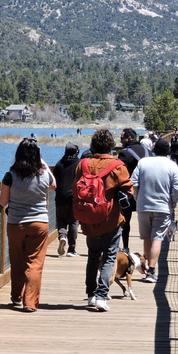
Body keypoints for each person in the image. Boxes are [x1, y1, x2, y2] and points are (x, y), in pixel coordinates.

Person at [73, 129, 133, 312]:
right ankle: (101, 296)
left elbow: (75, 189)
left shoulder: (82, 164)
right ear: (111, 145)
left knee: (92, 256)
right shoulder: (118, 165)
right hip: (111, 219)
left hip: (89, 218)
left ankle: (90, 294)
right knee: (109, 257)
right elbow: (129, 190)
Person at [0, 137, 56, 312]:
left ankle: (16, 297)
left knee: (17, 261)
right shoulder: (44, 174)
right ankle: (30, 302)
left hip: (16, 224)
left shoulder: (10, 175)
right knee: (34, 263)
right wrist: (43, 163)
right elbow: (54, 185)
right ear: (37, 156)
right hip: (39, 223)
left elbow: (3, 202)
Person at [131, 137, 178, 283]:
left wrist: (138, 198)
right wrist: (172, 203)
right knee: (157, 237)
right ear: (168, 151)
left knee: (147, 237)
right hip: (163, 207)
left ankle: (147, 268)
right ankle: (152, 270)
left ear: (154, 150)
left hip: (143, 207)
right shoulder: (172, 165)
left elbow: (133, 182)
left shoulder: (143, 162)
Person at [118, 128, 149, 254]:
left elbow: (120, 173)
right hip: (146, 192)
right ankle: (148, 251)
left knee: (126, 221)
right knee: (148, 224)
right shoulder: (147, 150)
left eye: (122, 138)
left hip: (129, 191)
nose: (121, 141)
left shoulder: (124, 153)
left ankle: (125, 247)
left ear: (129, 138)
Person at [53, 142, 80, 256]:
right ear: (77, 152)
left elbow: (54, 180)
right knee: (73, 222)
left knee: (61, 219)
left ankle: (62, 236)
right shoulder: (79, 164)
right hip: (74, 197)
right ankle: (71, 249)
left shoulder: (59, 164)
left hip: (61, 196)